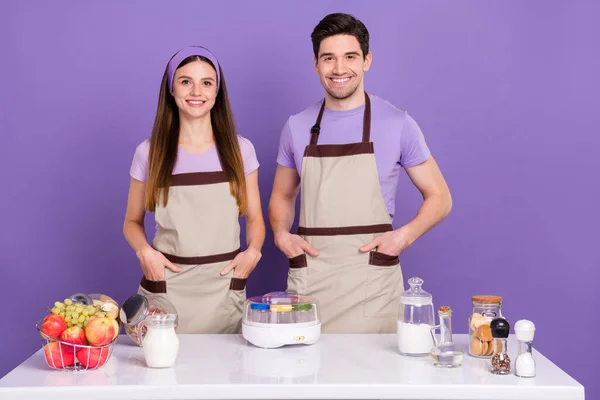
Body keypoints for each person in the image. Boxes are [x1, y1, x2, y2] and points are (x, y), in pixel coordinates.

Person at [268, 13, 452, 333]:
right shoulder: (296, 127)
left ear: (366, 60)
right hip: (312, 278)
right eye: (329, 58)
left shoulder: (397, 124)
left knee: (376, 376)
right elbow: (282, 195)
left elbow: (440, 198)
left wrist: (402, 238)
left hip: (373, 282)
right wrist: (282, 234)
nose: (339, 69)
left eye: (350, 57)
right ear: (316, 64)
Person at [123, 46, 265, 334]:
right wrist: (144, 252)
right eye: (185, 81)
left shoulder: (241, 150)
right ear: (171, 89)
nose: (196, 91)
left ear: (217, 92)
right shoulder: (149, 153)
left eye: (206, 83)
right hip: (168, 285)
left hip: (224, 286)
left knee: (223, 371)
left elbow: (254, 218)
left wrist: (253, 252)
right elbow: (131, 222)